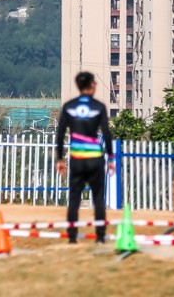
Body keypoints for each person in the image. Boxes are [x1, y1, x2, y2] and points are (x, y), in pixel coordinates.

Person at [55, 71, 114, 244]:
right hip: (95, 158)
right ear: (92, 85)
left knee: (74, 198)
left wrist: (60, 159)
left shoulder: (69, 106)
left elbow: (60, 134)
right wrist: (110, 158)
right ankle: (100, 237)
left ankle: (72, 237)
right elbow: (107, 134)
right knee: (98, 198)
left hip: (77, 159)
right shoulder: (98, 106)